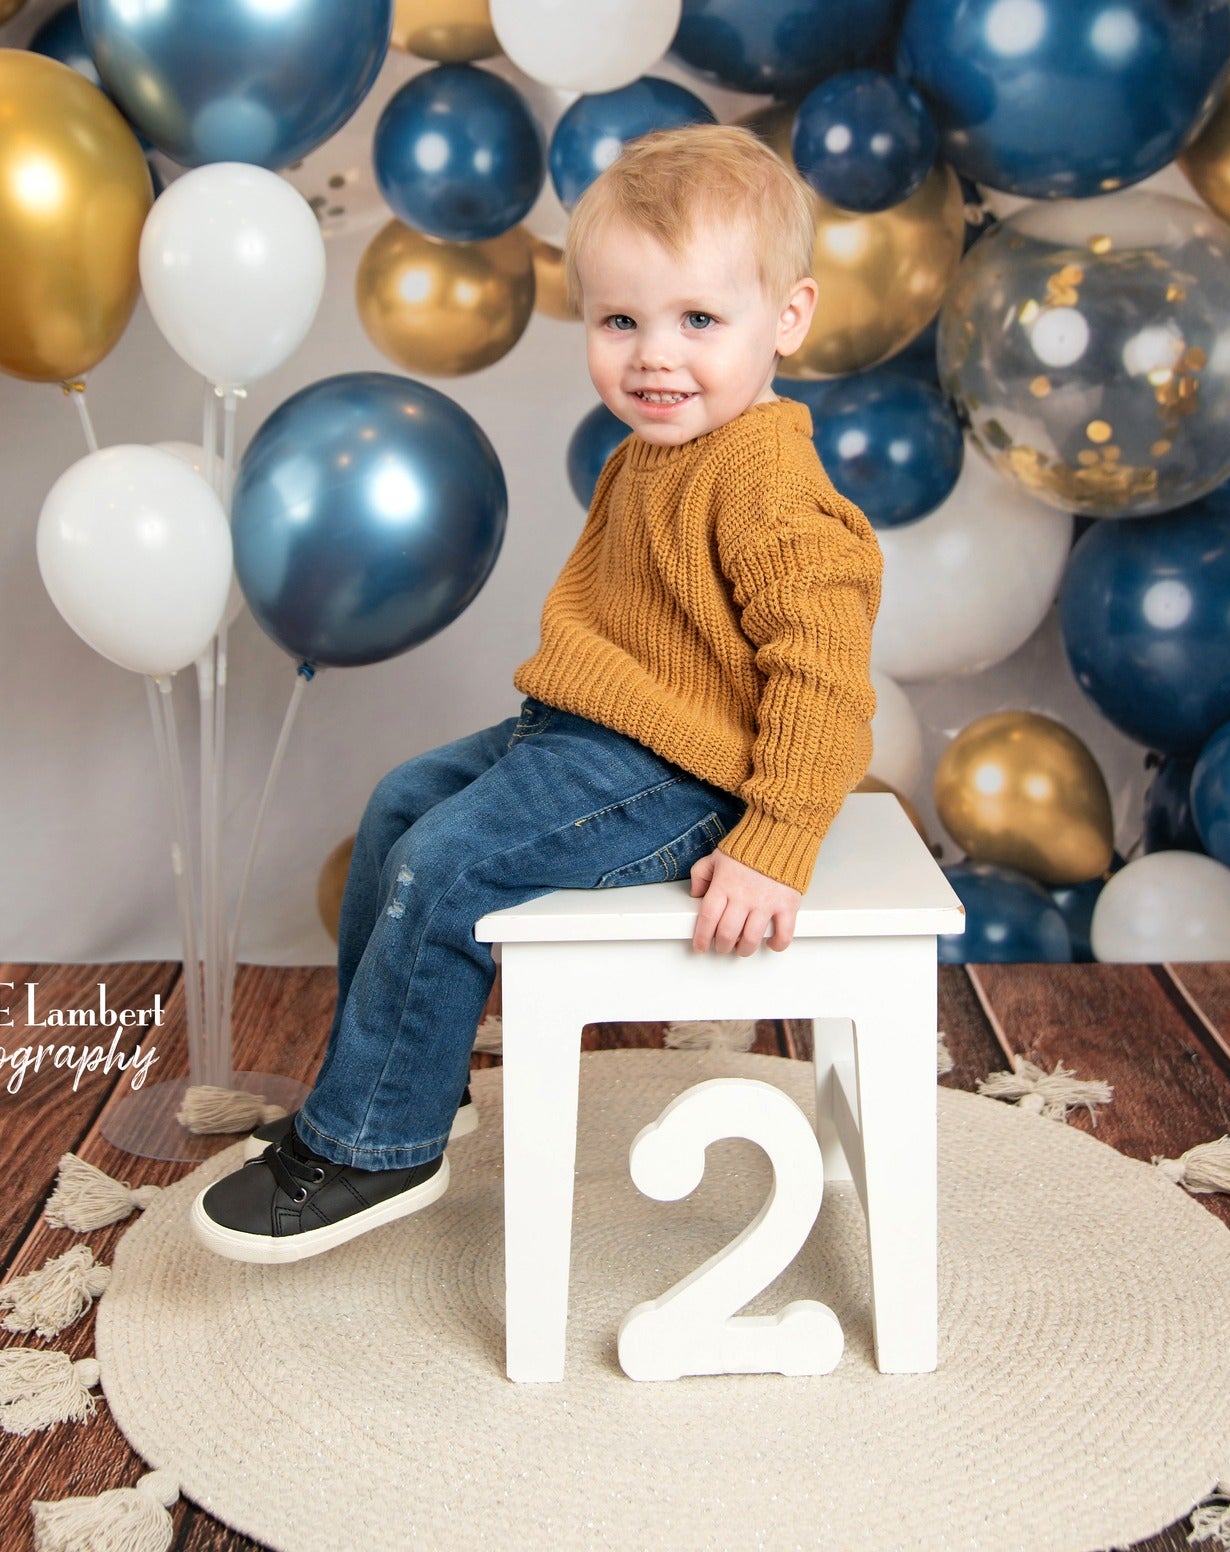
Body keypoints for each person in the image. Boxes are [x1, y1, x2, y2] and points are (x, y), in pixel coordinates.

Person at [192, 123, 883, 1265]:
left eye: (698, 321)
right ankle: (409, 1085)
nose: (652, 356)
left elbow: (822, 669)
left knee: (447, 862)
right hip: (582, 733)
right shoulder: (648, 450)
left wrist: (777, 837)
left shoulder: (764, 477)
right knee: (399, 807)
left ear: (789, 319)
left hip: (683, 774)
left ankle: (375, 1142)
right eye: (621, 322)